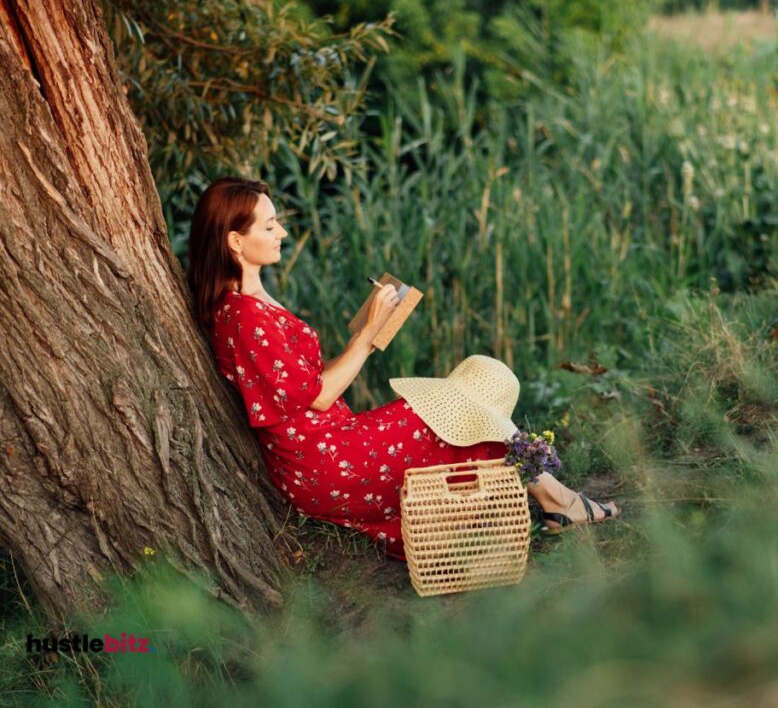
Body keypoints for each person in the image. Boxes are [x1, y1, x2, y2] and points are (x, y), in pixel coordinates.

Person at [187, 176, 618, 559]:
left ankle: (550, 497)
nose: (281, 231)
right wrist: (365, 334)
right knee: (447, 407)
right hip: (322, 463)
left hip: (333, 443)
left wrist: (373, 333)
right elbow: (317, 396)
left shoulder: (255, 303)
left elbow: (309, 383)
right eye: (268, 226)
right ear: (235, 242)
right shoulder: (242, 317)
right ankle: (557, 500)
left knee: (479, 380)